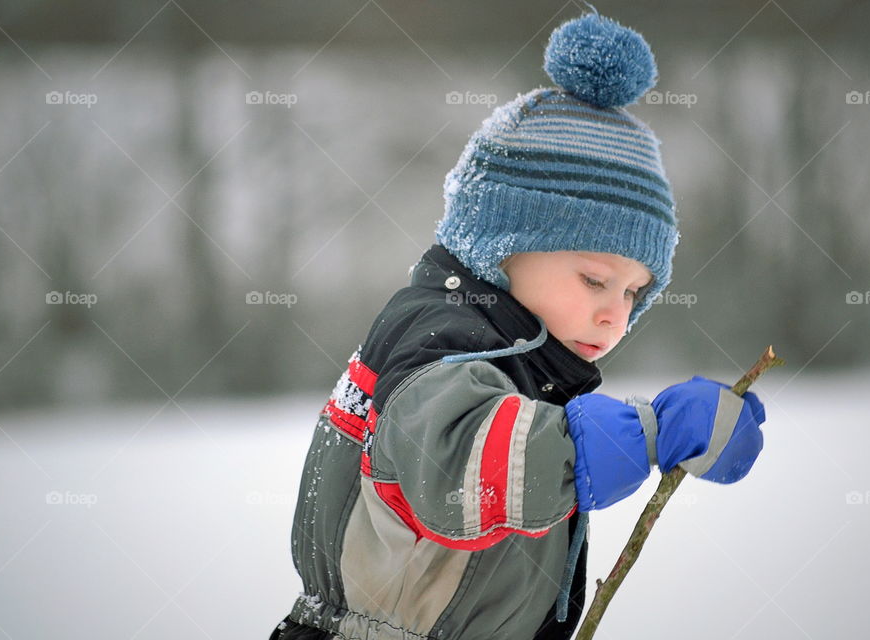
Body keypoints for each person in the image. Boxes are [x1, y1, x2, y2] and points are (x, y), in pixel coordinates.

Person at [269, 10, 766, 640]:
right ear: (502, 242)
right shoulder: (443, 337)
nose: (616, 313)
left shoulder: (520, 359)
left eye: (636, 292)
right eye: (594, 279)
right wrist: (648, 433)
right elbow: (459, 465)